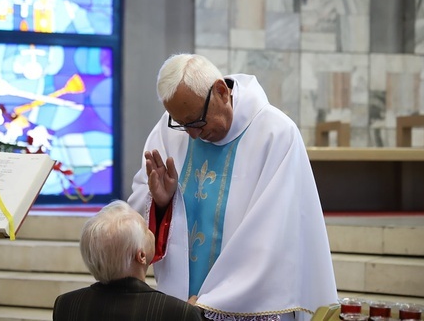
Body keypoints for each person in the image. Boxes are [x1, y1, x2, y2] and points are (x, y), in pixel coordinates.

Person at [127, 53, 338, 321]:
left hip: (246, 306)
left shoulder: (276, 135)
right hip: (180, 305)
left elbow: (271, 236)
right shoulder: (169, 130)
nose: (192, 134)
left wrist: (211, 303)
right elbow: (136, 218)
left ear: (221, 92)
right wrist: (160, 203)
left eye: (196, 122)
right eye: (182, 125)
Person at [52, 200, 205, 321]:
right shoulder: (179, 314)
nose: (151, 230)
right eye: (146, 228)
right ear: (141, 256)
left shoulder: (66, 305)